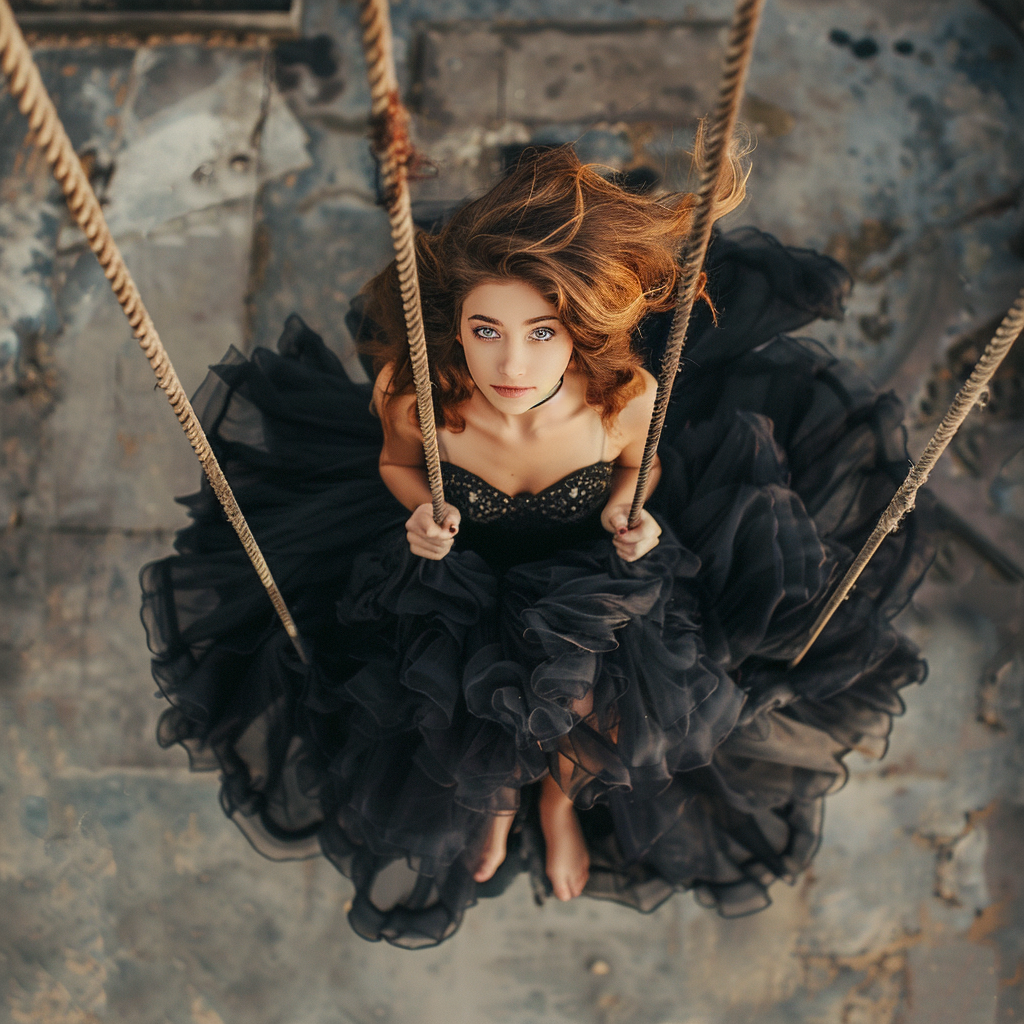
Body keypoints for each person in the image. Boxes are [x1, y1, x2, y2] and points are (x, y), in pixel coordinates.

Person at [140, 140, 933, 949]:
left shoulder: (622, 398)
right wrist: (419, 510)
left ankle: (557, 798)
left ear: (577, 332)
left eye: (541, 333)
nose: (511, 364)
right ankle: (500, 799)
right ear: (456, 326)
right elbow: (393, 462)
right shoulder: (415, 396)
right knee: (440, 701)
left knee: (601, 703)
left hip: (591, 571)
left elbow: (643, 467)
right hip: (459, 570)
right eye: (486, 331)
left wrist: (635, 513)